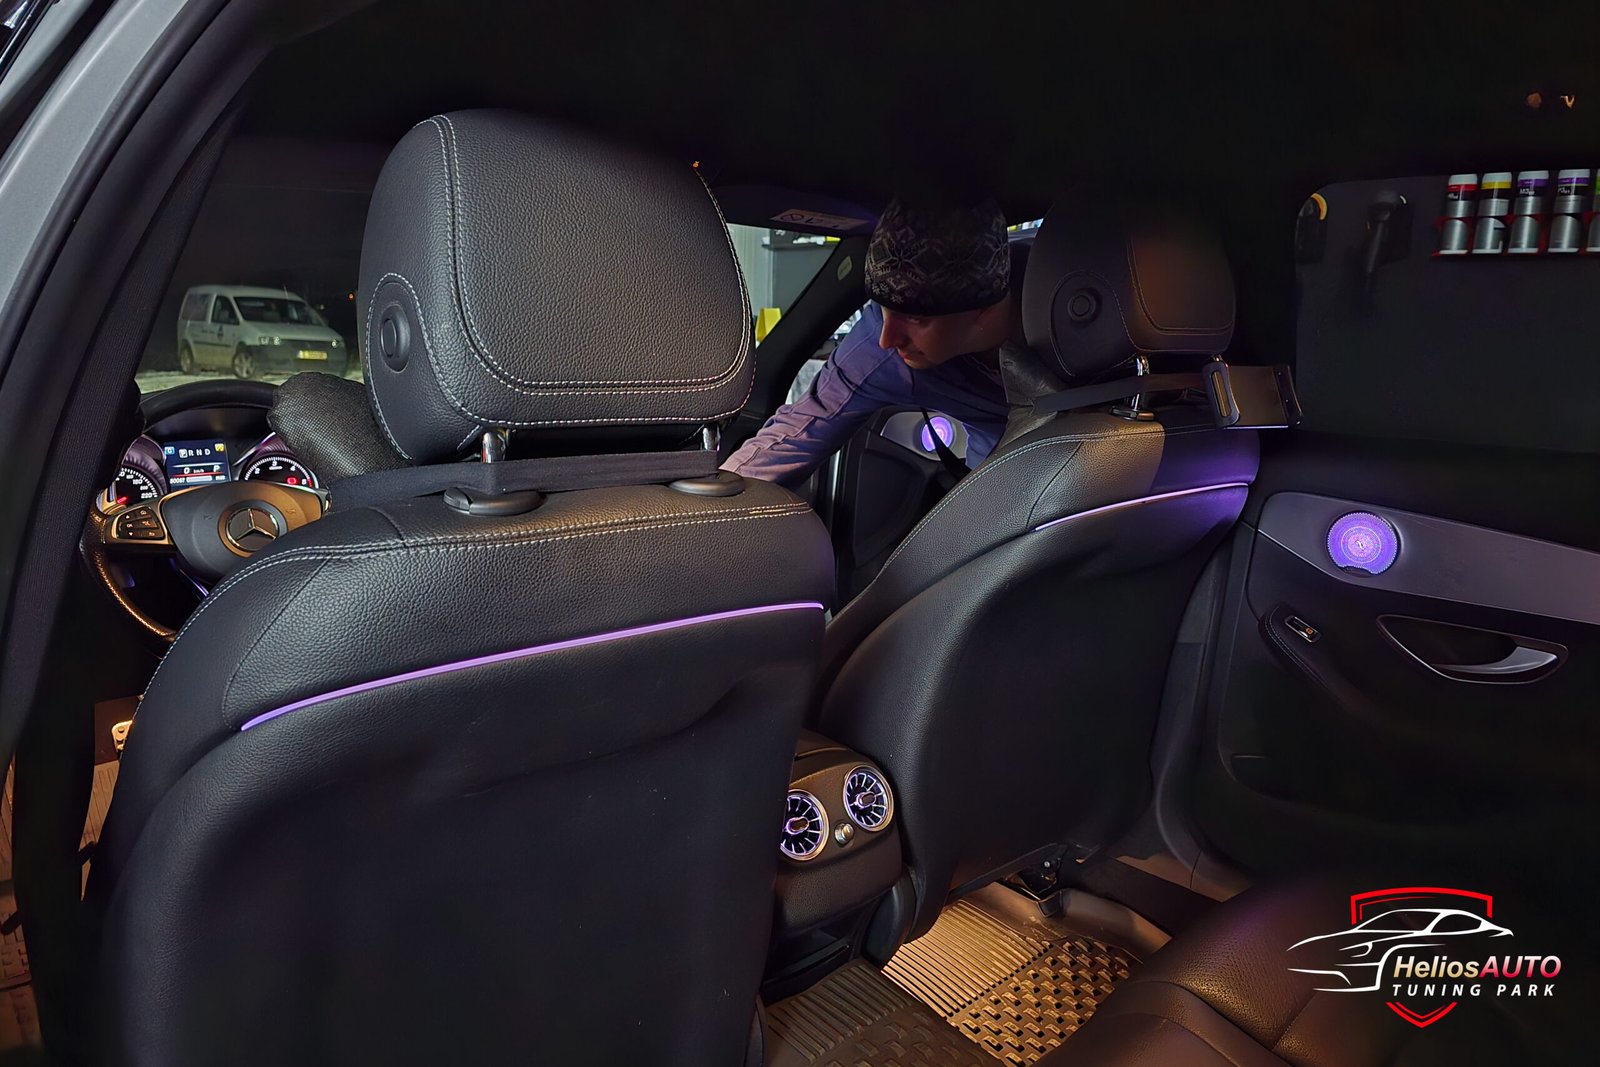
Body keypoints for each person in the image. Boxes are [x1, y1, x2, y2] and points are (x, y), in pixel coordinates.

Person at [721, 197, 1034, 488]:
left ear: (985, 310)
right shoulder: (879, 349)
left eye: (915, 318)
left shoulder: (1059, 298)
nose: (888, 339)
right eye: (882, 309)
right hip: (997, 483)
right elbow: (797, 433)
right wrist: (713, 501)